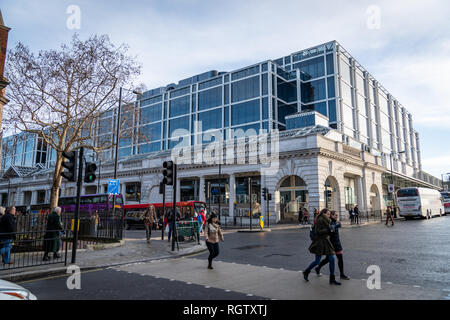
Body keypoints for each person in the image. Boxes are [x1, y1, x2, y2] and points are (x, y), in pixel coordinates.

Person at [302, 208, 341, 285]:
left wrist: (334, 227)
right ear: (324, 213)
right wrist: (328, 229)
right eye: (328, 214)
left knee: (332, 259)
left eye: (330, 214)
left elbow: (329, 231)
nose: (329, 215)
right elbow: (317, 232)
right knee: (317, 261)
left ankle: (332, 279)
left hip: (326, 241)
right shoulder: (320, 220)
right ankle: (306, 272)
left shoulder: (327, 220)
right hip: (320, 242)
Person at [314, 211, 350, 280]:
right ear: (332, 216)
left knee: (340, 259)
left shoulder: (335, 222)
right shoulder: (329, 222)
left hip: (337, 243)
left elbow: (338, 225)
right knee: (328, 259)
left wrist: (336, 225)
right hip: (331, 244)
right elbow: (331, 229)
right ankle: (318, 268)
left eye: (337, 215)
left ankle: (342, 274)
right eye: (336, 215)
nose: (337, 216)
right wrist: (335, 225)